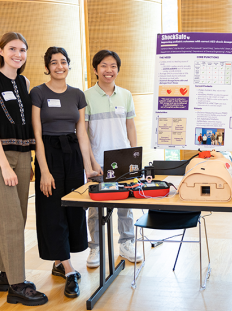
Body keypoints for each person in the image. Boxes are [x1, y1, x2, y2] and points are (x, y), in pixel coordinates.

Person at [0, 32, 48, 306]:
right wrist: (5, 166)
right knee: (11, 221)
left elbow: (25, 123)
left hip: (21, 153)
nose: (18, 54)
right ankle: (18, 285)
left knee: (14, 216)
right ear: (1, 50)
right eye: (12, 49)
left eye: (22, 50)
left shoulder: (24, 81)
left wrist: (28, 161)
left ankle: (5, 274)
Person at [31, 47, 102, 298]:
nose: (59, 66)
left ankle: (60, 262)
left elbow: (81, 134)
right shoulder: (38, 93)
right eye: (54, 62)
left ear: (68, 65)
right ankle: (71, 270)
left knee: (72, 208)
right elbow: (37, 135)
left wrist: (88, 168)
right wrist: (44, 171)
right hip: (49, 153)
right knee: (52, 210)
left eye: (63, 62)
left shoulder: (77, 95)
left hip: (72, 152)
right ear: (47, 66)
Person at [84, 50, 142, 267]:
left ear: (118, 69)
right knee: (95, 207)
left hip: (124, 159)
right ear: (96, 69)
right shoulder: (86, 96)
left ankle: (126, 243)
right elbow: (84, 132)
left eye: (113, 66)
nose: (109, 71)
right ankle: (95, 247)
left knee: (125, 203)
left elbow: (130, 126)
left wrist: (135, 154)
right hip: (98, 159)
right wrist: (91, 161)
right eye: (104, 66)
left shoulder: (126, 95)